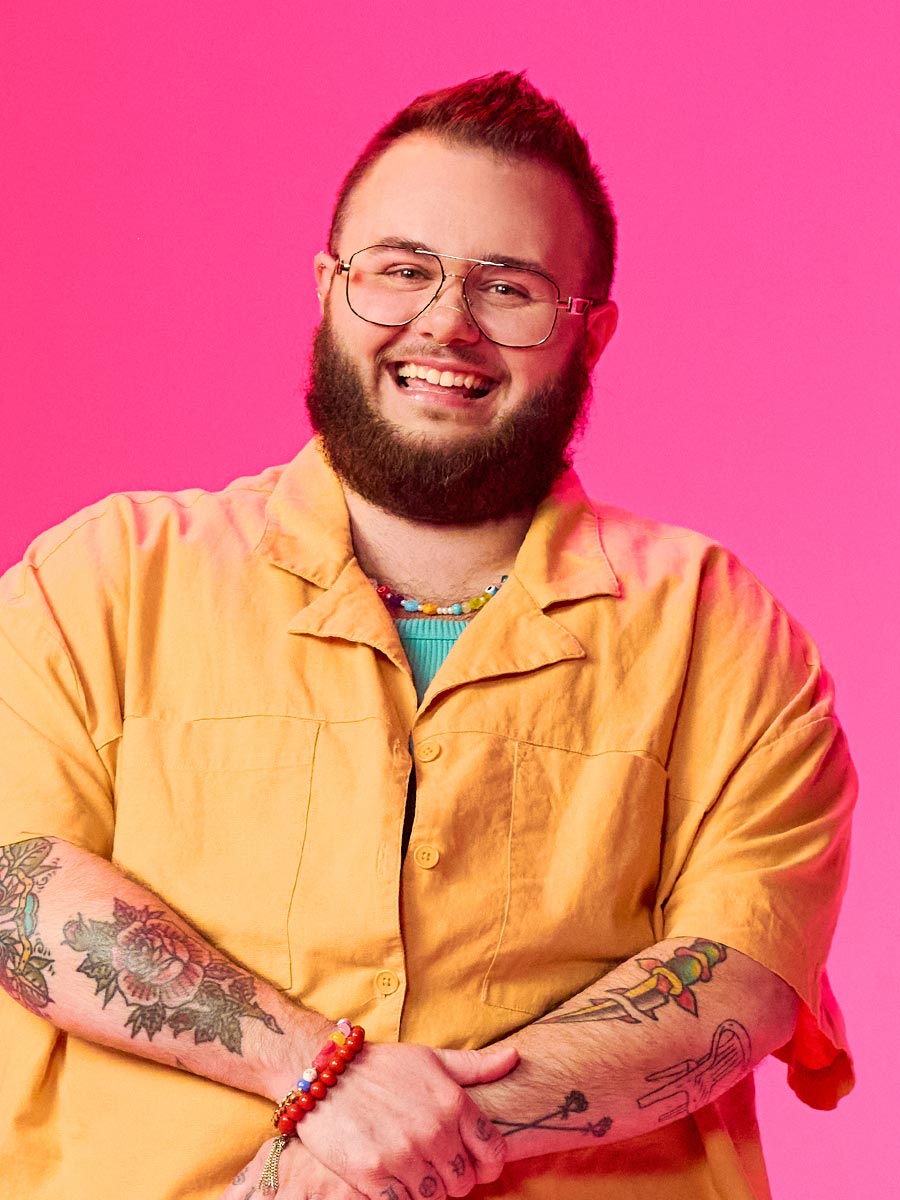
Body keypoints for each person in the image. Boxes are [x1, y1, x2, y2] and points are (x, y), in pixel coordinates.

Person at [0, 71, 855, 1200]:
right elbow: (16, 881)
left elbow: (741, 977)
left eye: (511, 287)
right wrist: (320, 1076)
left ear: (589, 332)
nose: (445, 322)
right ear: (328, 288)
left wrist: (378, 1147)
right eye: (400, 269)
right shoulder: (100, 580)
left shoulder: (718, 629)